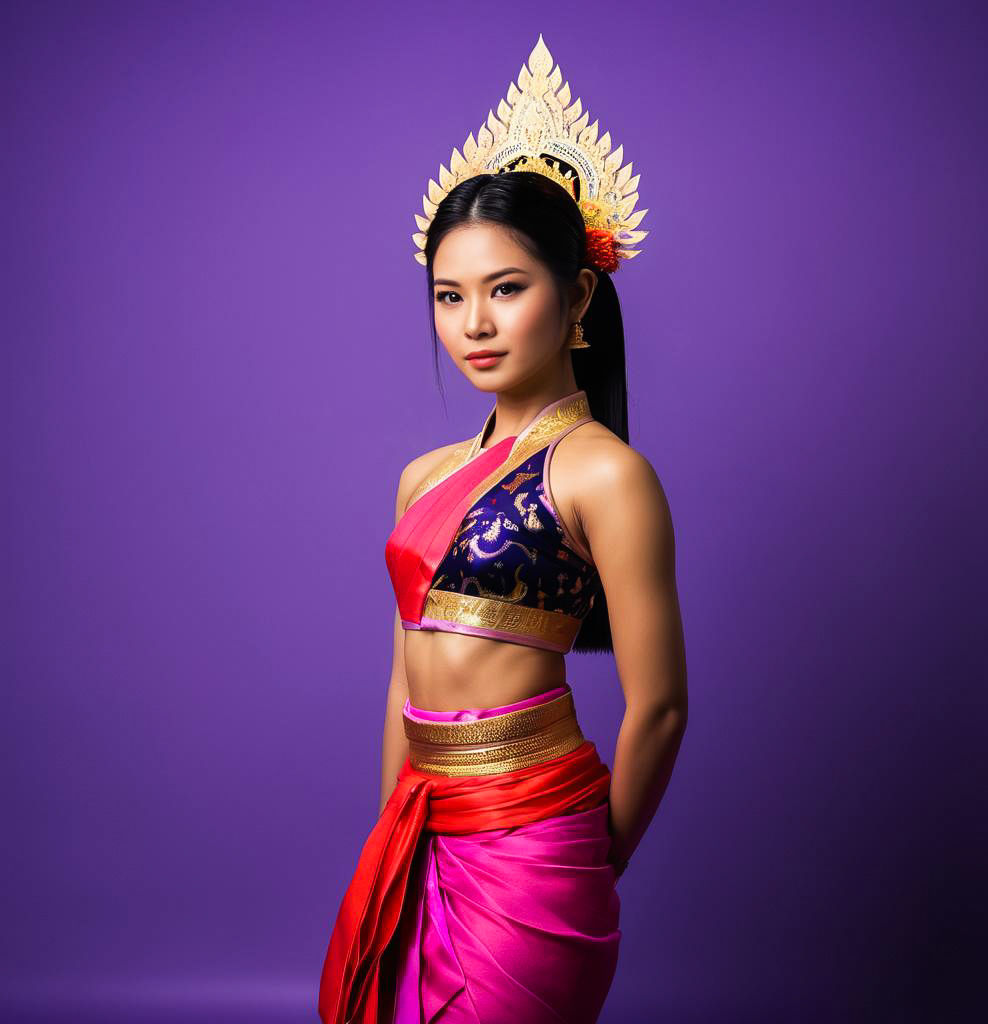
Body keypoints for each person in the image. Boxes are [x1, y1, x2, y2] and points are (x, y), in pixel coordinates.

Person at [318, 33, 687, 1024]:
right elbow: (405, 673)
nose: (473, 323)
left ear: (575, 297)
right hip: (420, 827)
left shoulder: (604, 473)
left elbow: (657, 707)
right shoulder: (421, 477)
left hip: (537, 843)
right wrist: (389, 835)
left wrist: (586, 858)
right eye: (449, 296)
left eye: (505, 288)